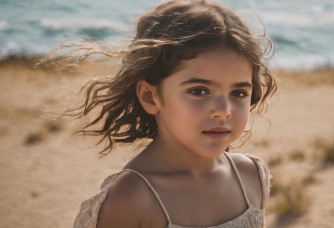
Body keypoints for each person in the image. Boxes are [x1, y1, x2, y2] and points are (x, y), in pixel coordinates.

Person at [71, 0, 276, 227]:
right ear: (151, 97)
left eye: (238, 93)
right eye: (199, 91)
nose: (223, 111)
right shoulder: (131, 199)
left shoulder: (250, 176)